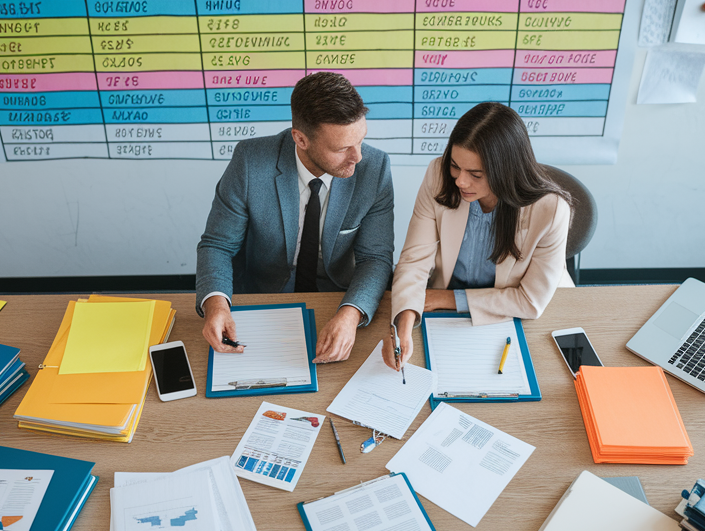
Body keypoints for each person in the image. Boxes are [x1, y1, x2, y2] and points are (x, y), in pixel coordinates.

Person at [197, 71, 394, 363]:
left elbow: (376, 258)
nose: (358, 157)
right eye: (342, 149)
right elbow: (218, 245)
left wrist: (350, 314)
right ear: (300, 139)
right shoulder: (250, 162)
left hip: (337, 298)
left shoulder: (374, 169)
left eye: (360, 141)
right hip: (263, 299)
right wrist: (216, 306)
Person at [385, 101, 574, 370]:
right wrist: (403, 322)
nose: (461, 181)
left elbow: (529, 301)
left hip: (518, 318)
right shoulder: (438, 176)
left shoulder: (551, 210)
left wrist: (448, 299)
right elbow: (415, 259)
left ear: (505, 171)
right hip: (441, 314)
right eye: (455, 166)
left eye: (475, 174)